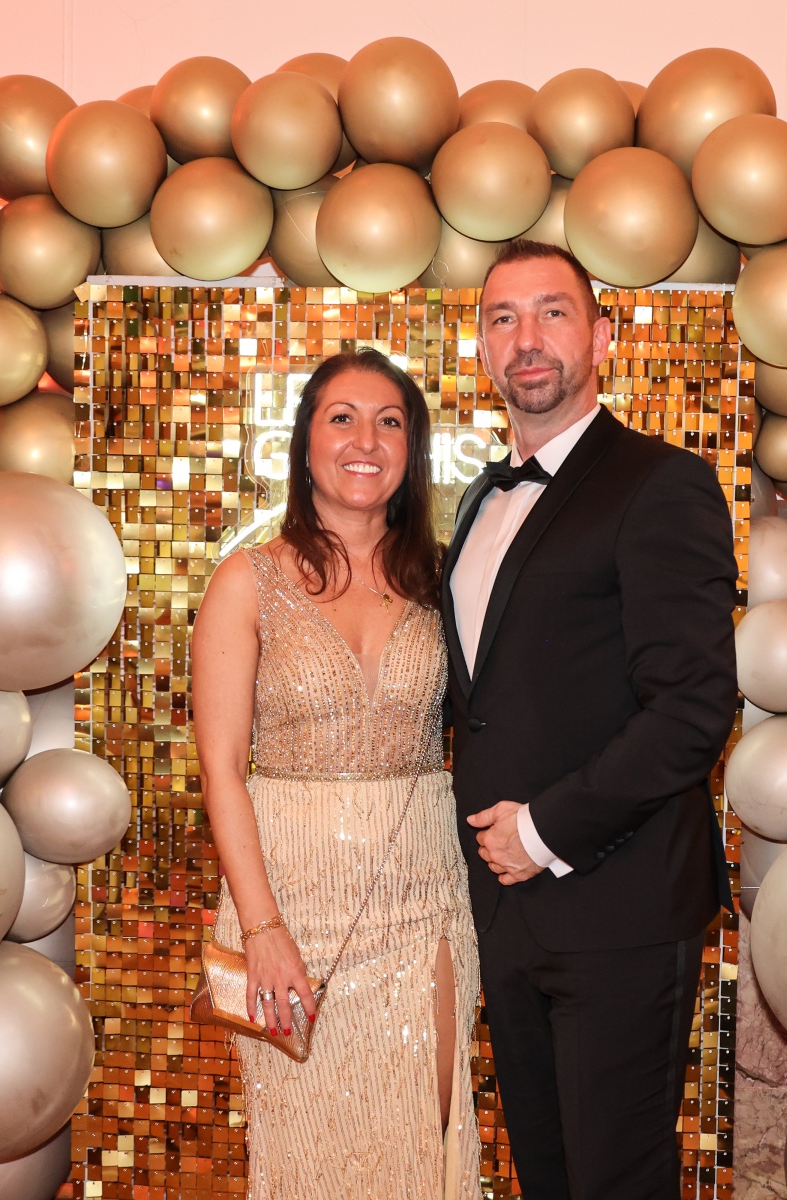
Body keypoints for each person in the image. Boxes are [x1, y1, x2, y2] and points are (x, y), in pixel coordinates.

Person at [446, 240, 738, 1200]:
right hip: (506, 913)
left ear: (603, 338)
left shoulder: (661, 482)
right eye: (503, 319)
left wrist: (544, 831)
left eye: (553, 312)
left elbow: (693, 708)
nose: (526, 339)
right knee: (547, 1178)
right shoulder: (481, 500)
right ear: (482, 350)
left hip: (620, 909)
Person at [192, 349, 482, 1199]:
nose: (366, 440)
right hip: (288, 905)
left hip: (425, 899)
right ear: (306, 442)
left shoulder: (446, 579)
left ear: (412, 450)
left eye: (390, 422)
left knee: (427, 1139)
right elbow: (221, 769)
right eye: (342, 418)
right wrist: (261, 927)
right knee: (307, 1159)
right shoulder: (247, 581)